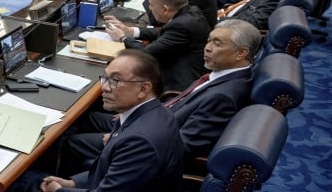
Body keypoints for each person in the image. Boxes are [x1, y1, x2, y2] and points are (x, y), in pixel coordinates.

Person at [1, 50, 183, 192]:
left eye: (115, 80)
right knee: (31, 181)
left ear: (143, 88)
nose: (105, 87)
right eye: (105, 78)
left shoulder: (142, 140)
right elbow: (114, 175)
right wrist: (73, 183)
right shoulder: (151, 114)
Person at [61, 20, 259, 169]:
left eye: (217, 43)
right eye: (209, 40)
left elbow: (184, 145)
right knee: (87, 117)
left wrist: (122, 137)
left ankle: (72, 186)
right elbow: (179, 104)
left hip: (146, 144)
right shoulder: (220, 77)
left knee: (70, 142)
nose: (207, 47)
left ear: (240, 53)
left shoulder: (225, 95)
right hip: (154, 122)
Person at [106, 0, 210, 91]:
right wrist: (130, 31)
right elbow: (164, 32)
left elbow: (146, 53)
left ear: (165, 9)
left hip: (177, 85)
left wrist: (122, 38)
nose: (150, 8)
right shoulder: (191, 12)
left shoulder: (181, 26)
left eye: (151, 5)